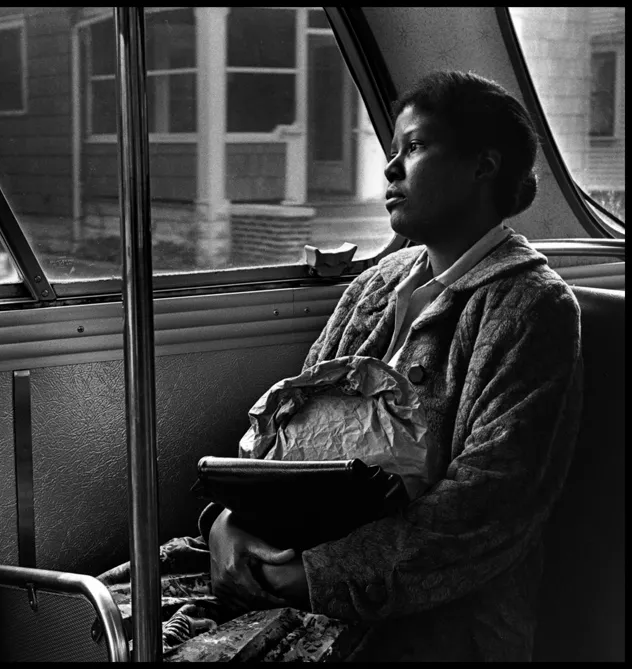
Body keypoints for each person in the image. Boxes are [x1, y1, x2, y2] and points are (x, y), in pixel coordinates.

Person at [202, 70, 584, 661]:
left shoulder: (534, 307)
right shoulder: (375, 285)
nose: (390, 169)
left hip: (443, 615)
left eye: (415, 146)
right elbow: (289, 429)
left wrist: (316, 577)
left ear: (483, 166)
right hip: (295, 559)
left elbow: (486, 507)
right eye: (392, 150)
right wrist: (227, 523)